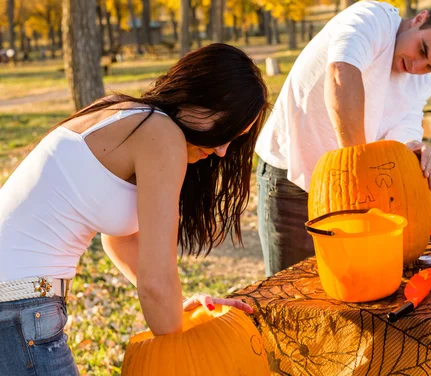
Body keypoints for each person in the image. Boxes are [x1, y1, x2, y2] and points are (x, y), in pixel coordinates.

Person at [0, 43, 269, 375]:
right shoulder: (160, 135)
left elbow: (121, 240)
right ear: (198, 95)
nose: (223, 150)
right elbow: (156, 280)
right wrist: (191, 346)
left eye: (236, 138)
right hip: (18, 308)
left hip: (17, 305)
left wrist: (181, 312)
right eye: (225, 128)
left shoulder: (126, 114)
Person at [255, 0, 431, 276]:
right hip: (292, 177)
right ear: (420, 18)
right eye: (422, 50)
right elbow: (341, 74)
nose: (416, 66)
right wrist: (357, 168)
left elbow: (403, 133)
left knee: (343, 289)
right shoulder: (371, 20)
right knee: (288, 290)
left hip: (350, 195)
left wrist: (414, 149)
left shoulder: (421, 83)